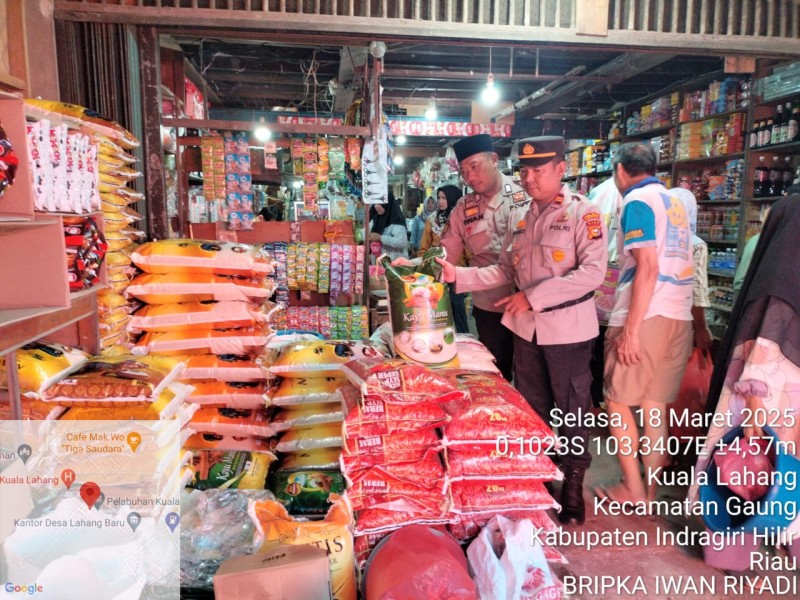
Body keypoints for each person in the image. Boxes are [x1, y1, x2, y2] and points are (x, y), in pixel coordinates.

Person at [436, 136, 608, 525]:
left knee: (573, 410)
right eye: (525, 171)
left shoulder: (584, 213)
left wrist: (533, 297)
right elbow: (505, 271)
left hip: (567, 330)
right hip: (526, 330)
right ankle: (540, 475)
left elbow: (592, 273)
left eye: (538, 171)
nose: (529, 179)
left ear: (561, 169)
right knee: (532, 408)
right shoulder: (522, 217)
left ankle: (573, 483)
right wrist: (457, 274)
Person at [690, 195, 800, 566]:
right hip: (788, 411)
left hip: (761, 405)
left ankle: (733, 554)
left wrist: (753, 411)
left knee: (742, 474)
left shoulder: (774, 286)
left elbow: (758, 361)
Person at [600, 142, 694, 507]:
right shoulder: (675, 202)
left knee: (617, 401)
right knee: (655, 405)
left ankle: (633, 488)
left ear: (620, 170)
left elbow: (648, 267)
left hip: (647, 315)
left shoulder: (637, 201)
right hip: (679, 316)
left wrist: (631, 331)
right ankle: (651, 490)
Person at [439, 134, 529, 381]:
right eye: (464, 171)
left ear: (494, 159)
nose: (470, 177)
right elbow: (445, 253)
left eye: (474, 166)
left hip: (530, 303)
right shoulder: (463, 209)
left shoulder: (527, 194)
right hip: (490, 305)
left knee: (530, 377)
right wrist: (414, 268)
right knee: (494, 375)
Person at [418, 184, 470, 334]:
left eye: (444, 198)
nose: (440, 201)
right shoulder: (431, 220)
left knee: (458, 314)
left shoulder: (462, 220)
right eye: (439, 198)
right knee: (438, 315)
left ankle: (463, 342)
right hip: (436, 274)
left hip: (456, 273)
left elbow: (468, 248)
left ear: (453, 199)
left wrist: (469, 273)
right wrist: (424, 268)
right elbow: (424, 248)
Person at [670, 187, 713, 351]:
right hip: (679, 321)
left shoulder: (654, 237)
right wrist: (701, 328)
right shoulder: (695, 244)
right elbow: (696, 291)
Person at [369, 191, 408, 261]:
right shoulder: (376, 218)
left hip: (396, 263)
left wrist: (380, 237)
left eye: (380, 203)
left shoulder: (397, 221)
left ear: (387, 203)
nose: (376, 206)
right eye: (375, 203)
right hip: (379, 263)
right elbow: (366, 232)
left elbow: (402, 242)